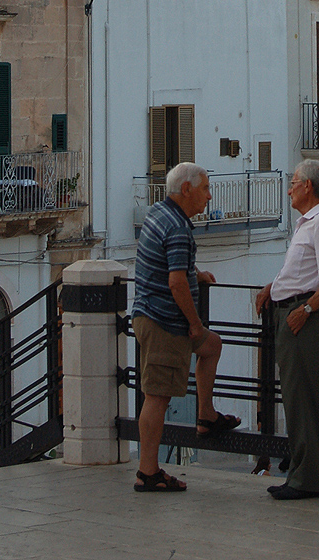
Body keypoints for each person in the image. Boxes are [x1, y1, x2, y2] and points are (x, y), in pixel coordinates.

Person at [131, 162, 240, 492]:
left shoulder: (159, 214)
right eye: (205, 188)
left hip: (154, 315)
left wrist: (196, 273)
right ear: (187, 190)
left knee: (213, 346)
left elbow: (175, 264)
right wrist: (194, 324)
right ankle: (147, 472)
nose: (209, 196)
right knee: (157, 397)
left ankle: (206, 415)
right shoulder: (178, 228)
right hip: (165, 323)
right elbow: (176, 282)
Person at [256, 160, 319, 500]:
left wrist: (306, 309)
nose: (289, 187)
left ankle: (306, 479)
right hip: (293, 314)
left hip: (303, 319)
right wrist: (272, 287)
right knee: (294, 396)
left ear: (308, 186)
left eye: (293, 181)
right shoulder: (307, 224)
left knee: (302, 396)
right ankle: (298, 471)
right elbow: (303, 271)